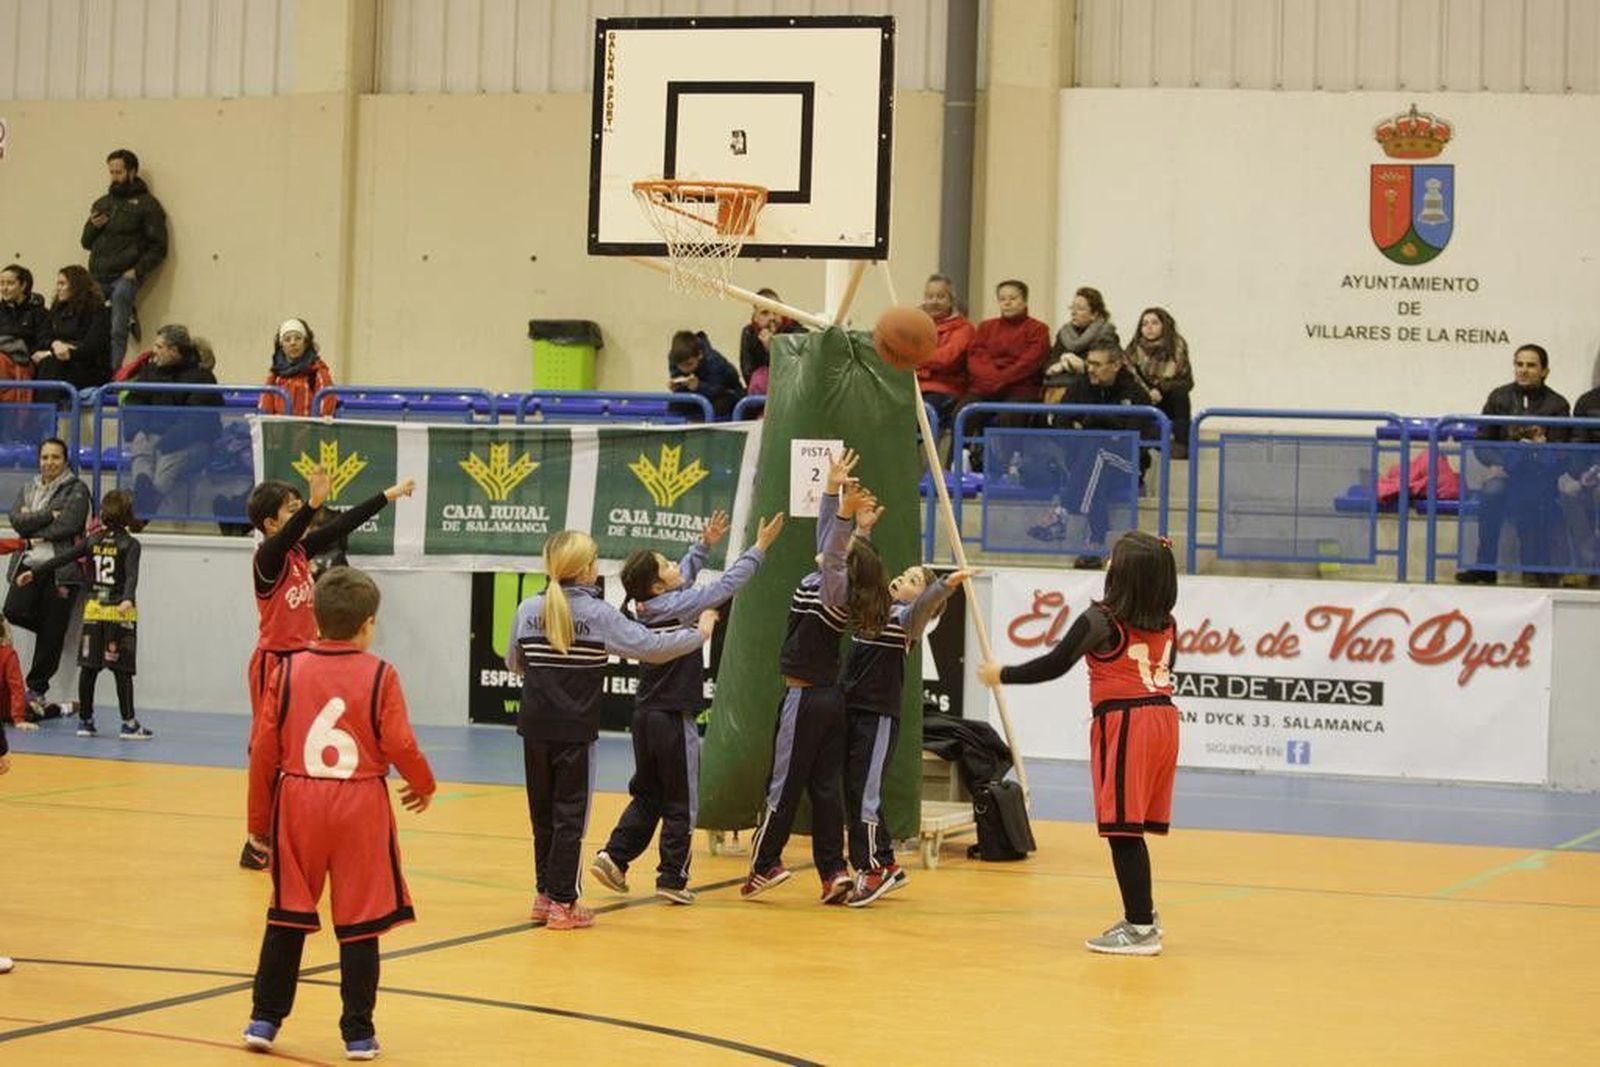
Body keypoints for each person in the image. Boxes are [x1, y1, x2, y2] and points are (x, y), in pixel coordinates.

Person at [241, 567, 435, 1060]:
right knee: (361, 922)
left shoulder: (286, 670)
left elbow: (263, 750)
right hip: (360, 803)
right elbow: (400, 742)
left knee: (287, 913)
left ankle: (264, 1019)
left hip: (298, 800)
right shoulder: (381, 674)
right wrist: (423, 783)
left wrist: (258, 825)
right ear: (368, 624)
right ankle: (358, 1033)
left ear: (315, 619)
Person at [978, 530, 1180, 956]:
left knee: (1122, 829)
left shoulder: (1102, 620)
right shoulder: (1167, 622)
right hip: (1163, 717)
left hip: (1128, 721)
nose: (1107, 563)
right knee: (1128, 826)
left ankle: (1141, 926)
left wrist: (1003, 674)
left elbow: (1055, 663)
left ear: (1125, 575)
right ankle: (1142, 914)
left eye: (1113, 559)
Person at [507, 530, 716, 930]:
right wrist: (700, 635)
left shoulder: (527, 608)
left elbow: (515, 662)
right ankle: (564, 903)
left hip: (533, 726)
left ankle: (544, 895)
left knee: (543, 815)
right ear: (585, 570)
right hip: (575, 729)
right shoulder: (598, 614)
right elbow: (651, 647)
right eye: (595, 561)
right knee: (571, 816)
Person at [591, 508, 786, 904]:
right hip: (672, 716)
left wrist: (703, 546)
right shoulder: (679, 606)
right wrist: (760, 547)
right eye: (666, 565)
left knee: (648, 795)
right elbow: (725, 585)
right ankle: (673, 878)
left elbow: (682, 580)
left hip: (645, 715)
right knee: (682, 800)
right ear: (657, 586)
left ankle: (614, 856)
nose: (675, 565)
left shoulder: (649, 605)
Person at [240, 467, 416, 870]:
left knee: (300, 752)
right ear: (270, 523)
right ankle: (256, 839)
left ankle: (289, 829)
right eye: (292, 509)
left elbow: (342, 522)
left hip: (304, 663)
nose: (303, 514)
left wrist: (387, 495)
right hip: (274, 663)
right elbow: (289, 535)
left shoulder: (300, 552)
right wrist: (315, 502)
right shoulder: (268, 557)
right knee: (267, 752)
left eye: (302, 506)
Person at [743, 449, 885, 904]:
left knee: (783, 784)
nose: (831, 547)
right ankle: (833, 873)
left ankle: (765, 863)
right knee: (825, 790)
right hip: (830, 700)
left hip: (805, 700)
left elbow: (836, 550)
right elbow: (831, 543)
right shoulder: (830, 577)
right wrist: (830, 491)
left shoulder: (833, 586)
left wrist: (845, 516)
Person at [838, 516, 970, 906]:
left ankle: (872, 869)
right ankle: (888, 864)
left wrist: (944, 585)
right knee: (853, 790)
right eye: (906, 575)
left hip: (878, 716)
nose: (903, 580)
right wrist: (861, 532)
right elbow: (859, 567)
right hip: (854, 711)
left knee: (865, 794)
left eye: (915, 580)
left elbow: (928, 603)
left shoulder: (908, 622)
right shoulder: (874, 613)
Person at [16, 489, 150, 739]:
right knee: (122, 671)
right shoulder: (131, 544)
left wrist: (34, 573)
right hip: (119, 615)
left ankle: (86, 721)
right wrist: (128, 599)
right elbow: (131, 576)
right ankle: (129, 723)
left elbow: (62, 558)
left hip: (93, 611)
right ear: (128, 514)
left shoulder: (93, 540)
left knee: (89, 668)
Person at [1457, 343, 1570, 586]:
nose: (1524, 370)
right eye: (1519, 364)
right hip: (1505, 473)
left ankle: (1533, 569)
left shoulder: (1558, 404)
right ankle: (1485, 567)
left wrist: (1544, 448)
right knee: (1491, 492)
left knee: (1530, 498)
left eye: (1531, 365)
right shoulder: (1499, 396)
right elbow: (1482, 442)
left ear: (1544, 371)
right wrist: (1498, 465)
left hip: (1539, 477)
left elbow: (1563, 452)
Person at [6, 438, 92, 718]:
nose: (49, 463)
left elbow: (69, 524)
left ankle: (36, 688)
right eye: (44, 457)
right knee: (13, 611)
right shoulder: (28, 487)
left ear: (65, 461)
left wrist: (34, 522)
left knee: (53, 633)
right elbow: (16, 521)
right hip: (27, 563)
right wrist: (47, 516)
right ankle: (49, 630)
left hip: (60, 570)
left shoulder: (77, 490)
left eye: (55, 457)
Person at [1054, 336, 1154, 570]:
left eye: (1097, 365)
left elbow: (1133, 437)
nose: (1091, 369)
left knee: (1096, 451)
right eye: (1089, 363)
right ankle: (1095, 542)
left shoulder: (1135, 393)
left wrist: (1093, 422)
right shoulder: (1081, 385)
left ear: (1116, 365)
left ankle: (1065, 509)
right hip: (1088, 463)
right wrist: (1103, 429)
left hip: (1128, 464)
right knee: (1094, 463)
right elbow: (1060, 422)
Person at [120, 324, 222, 517]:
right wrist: (138, 429)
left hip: (192, 445)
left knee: (168, 459)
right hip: (156, 438)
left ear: (174, 350)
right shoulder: (150, 372)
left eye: (159, 347)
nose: (154, 351)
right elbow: (134, 401)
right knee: (141, 443)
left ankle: (144, 508)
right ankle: (143, 485)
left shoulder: (202, 378)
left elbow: (197, 420)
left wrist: (165, 441)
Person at [81, 148, 168, 371]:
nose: (114, 177)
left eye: (119, 172)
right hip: (98, 276)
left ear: (132, 171)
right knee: (89, 326)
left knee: (116, 329)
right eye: (111, 172)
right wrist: (93, 227)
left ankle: (113, 374)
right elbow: (86, 242)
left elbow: (158, 246)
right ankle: (90, 371)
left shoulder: (148, 205)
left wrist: (137, 271)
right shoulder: (103, 203)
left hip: (124, 276)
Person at [950, 280, 1051, 471]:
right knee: (963, 411)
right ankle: (957, 463)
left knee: (1010, 413)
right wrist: (993, 379)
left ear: (1024, 300)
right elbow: (976, 357)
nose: (1007, 303)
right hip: (984, 386)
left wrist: (1000, 378)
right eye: (1002, 299)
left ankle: (1005, 467)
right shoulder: (986, 327)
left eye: (1012, 298)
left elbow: (1029, 362)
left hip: (1021, 388)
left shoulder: (1038, 329)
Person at [1124, 307, 1194, 458]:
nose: (1149, 327)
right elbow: (1128, 379)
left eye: (1154, 323)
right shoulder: (1132, 350)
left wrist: (1161, 389)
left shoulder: (1178, 347)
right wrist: (1147, 392)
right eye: (1144, 324)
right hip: (1143, 397)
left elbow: (1187, 382)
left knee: (1180, 395)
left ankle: (1182, 445)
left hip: (1167, 399)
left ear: (1164, 325)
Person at [32, 266, 112, 393]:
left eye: (62, 284)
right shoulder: (57, 309)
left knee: (50, 365)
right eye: (57, 284)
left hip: (90, 368)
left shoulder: (97, 310)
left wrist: (53, 353)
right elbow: (45, 335)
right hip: (61, 361)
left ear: (76, 285)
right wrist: (55, 344)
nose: (58, 288)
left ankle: (47, 411)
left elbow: (91, 347)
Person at [915, 273, 974, 433]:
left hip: (946, 389)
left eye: (940, 296)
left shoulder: (964, 329)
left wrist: (916, 361)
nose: (934, 301)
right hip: (911, 386)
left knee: (919, 415)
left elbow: (946, 358)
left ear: (951, 300)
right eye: (930, 296)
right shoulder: (912, 323)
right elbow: (899, 354)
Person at [1557, 382, 1600, 587]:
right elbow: (1578, 443)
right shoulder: (1587, 401)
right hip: (1592, 471)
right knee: (1566, 487)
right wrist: (1581, 473)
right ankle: (1586, 565)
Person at [1043, 286, 1117, 398]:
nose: (1073, 312)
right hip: (1058, 385)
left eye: (1080, 309)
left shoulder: (1106, 333)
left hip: (1091, 388)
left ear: (1094, 314)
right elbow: (1051, 363)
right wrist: (1062, 365)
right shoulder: (1065, 333)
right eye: (1072, 308)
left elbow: (1104, 368)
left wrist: (1078, 365)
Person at [259, 318, 337, 417]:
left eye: (298, 338)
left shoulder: (317, 372)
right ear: (281, 344)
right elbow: (265, 410)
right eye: (287, 339)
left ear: (306, 342)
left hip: (309, 430)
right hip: (280, 430)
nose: (293, 343)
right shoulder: (275, 375)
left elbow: (326, 409)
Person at [0, 265, 50, 407]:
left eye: (10, 283)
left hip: (24, 362)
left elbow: (43, 342)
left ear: (23, 286)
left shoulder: (39, 313)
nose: (4, 288)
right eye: (1, 283)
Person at [738, 289, 804, 396]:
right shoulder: (749, 333)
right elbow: (748, 374)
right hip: (762, 394)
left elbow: (796, 375)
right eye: (765, 313)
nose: (772, 317)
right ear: (755, 317)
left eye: (776, 312)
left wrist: (773, 349)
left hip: (791, 395)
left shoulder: (796, 332)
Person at [668, 330, 744, 419]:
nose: (685, 369)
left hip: (726, 392)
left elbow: (718, 388)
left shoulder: (713, 360)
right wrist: (677, 386)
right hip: (697, 392)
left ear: (700, 355)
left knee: (719, 407)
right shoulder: (674, 358)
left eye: (689, 364)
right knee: (674, 405)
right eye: (680, 366)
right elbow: (676, 376)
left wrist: (699, 386)